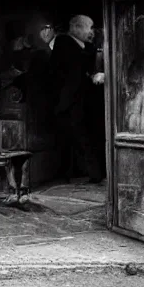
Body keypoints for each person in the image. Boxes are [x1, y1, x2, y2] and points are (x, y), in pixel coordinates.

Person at [49, 15, 105, 183]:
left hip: (83, 99)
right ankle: (89, 173)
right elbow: (74, 71)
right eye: (89, 28)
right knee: (79, 137)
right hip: (70, 101)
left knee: (86, 136)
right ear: (77, 28)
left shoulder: (86, 46)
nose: (92, 32)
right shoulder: (63, 43)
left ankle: (90, 172)